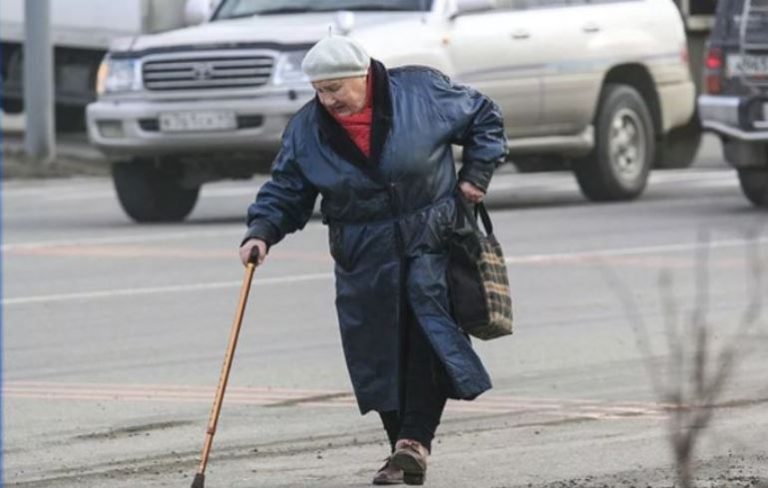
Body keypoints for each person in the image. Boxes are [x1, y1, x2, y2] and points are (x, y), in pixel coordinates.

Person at [239, 35, 507, 486]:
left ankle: (414, 442)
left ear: (363, 76)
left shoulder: (421, 94)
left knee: (428, 334)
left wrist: (475, 177)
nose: (328, 100)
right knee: (377, 353)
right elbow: (287, 189)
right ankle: (399, 449)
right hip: (363, 252)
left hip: (432, 237)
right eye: (320, 91)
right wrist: (262, 232)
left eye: (336, 89)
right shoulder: (307, 130)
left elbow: (484, 116)